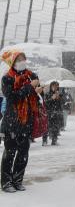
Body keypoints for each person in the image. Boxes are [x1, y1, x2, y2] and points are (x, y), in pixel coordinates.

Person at [1, 50, 41, 192]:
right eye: (19, 59)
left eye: (24, 58)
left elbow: (34, 94)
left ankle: (18, 180)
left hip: (27, 121)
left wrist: (37, 90)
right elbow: (12, 97)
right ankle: (6, 182)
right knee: (10, 153)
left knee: (23, 153)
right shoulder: (7, 78)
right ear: (12, 62)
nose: (22, 61)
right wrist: (29, 87)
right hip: (12, 121)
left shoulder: (31, 75)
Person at [44, 81, 63, 146]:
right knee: (46, 127)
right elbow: (45, 103)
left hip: (56, 113)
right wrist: (52, 98)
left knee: (56, 127)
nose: (55, 87)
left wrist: (59, 99)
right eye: (54, 86)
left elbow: (61, 104)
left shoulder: (59, 94)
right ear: (51, 86)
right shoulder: (47, 94)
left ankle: (54, 140)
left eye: (57, 86)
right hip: (49, 112)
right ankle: (44, 141)